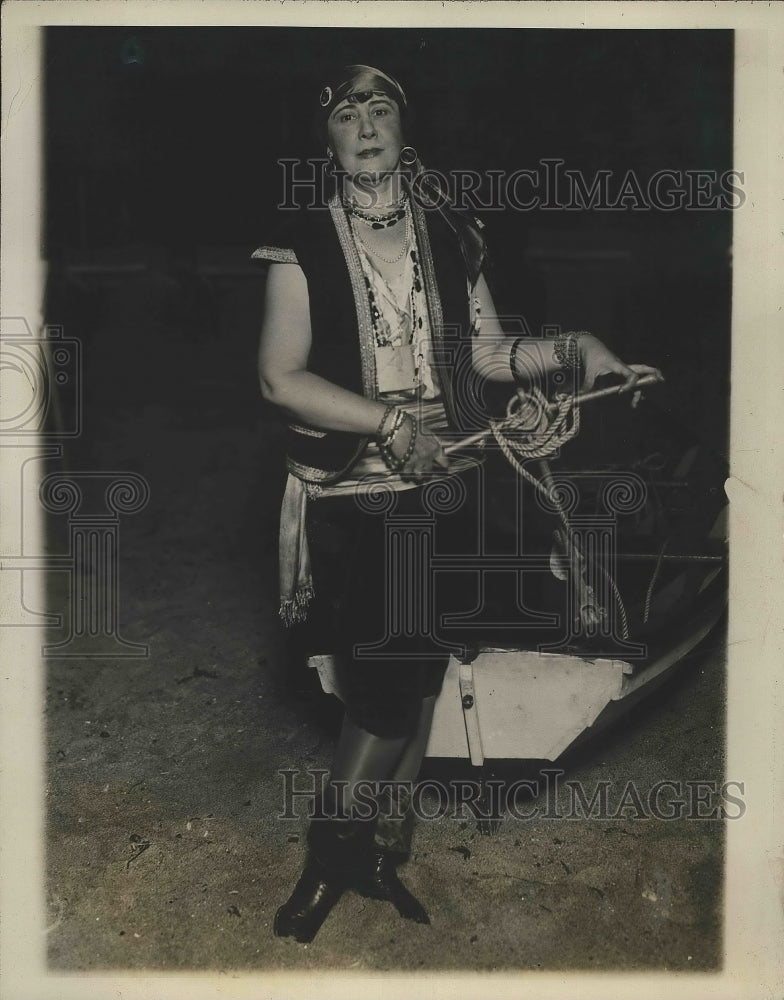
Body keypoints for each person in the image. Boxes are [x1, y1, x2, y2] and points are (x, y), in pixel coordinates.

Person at [255, 64, 658, 943]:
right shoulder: (301, 246)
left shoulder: (448, 235)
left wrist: (579, 349)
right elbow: (280, 380)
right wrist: (390, 426)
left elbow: (482, 355)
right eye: (347, 113)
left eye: (382, 109)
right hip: (352, 484)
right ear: (326, 139)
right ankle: (340, 851)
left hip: (446, 476)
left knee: (411, 661)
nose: (365, 125)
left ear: (406, 129)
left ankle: (372, 852)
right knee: (388, 684)